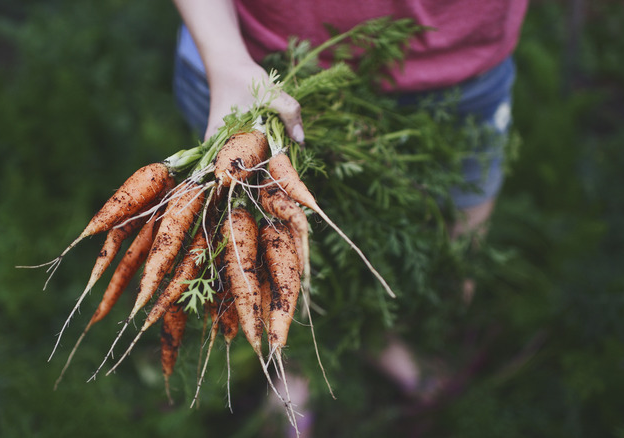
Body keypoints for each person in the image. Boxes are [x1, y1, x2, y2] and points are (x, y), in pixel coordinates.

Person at [170, 0, 528, 434]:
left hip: (464, 63)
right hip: (244, 56)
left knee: (451, 256)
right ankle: (292, 364)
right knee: (269, 248)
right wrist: (223, 56)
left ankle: (387, 337)